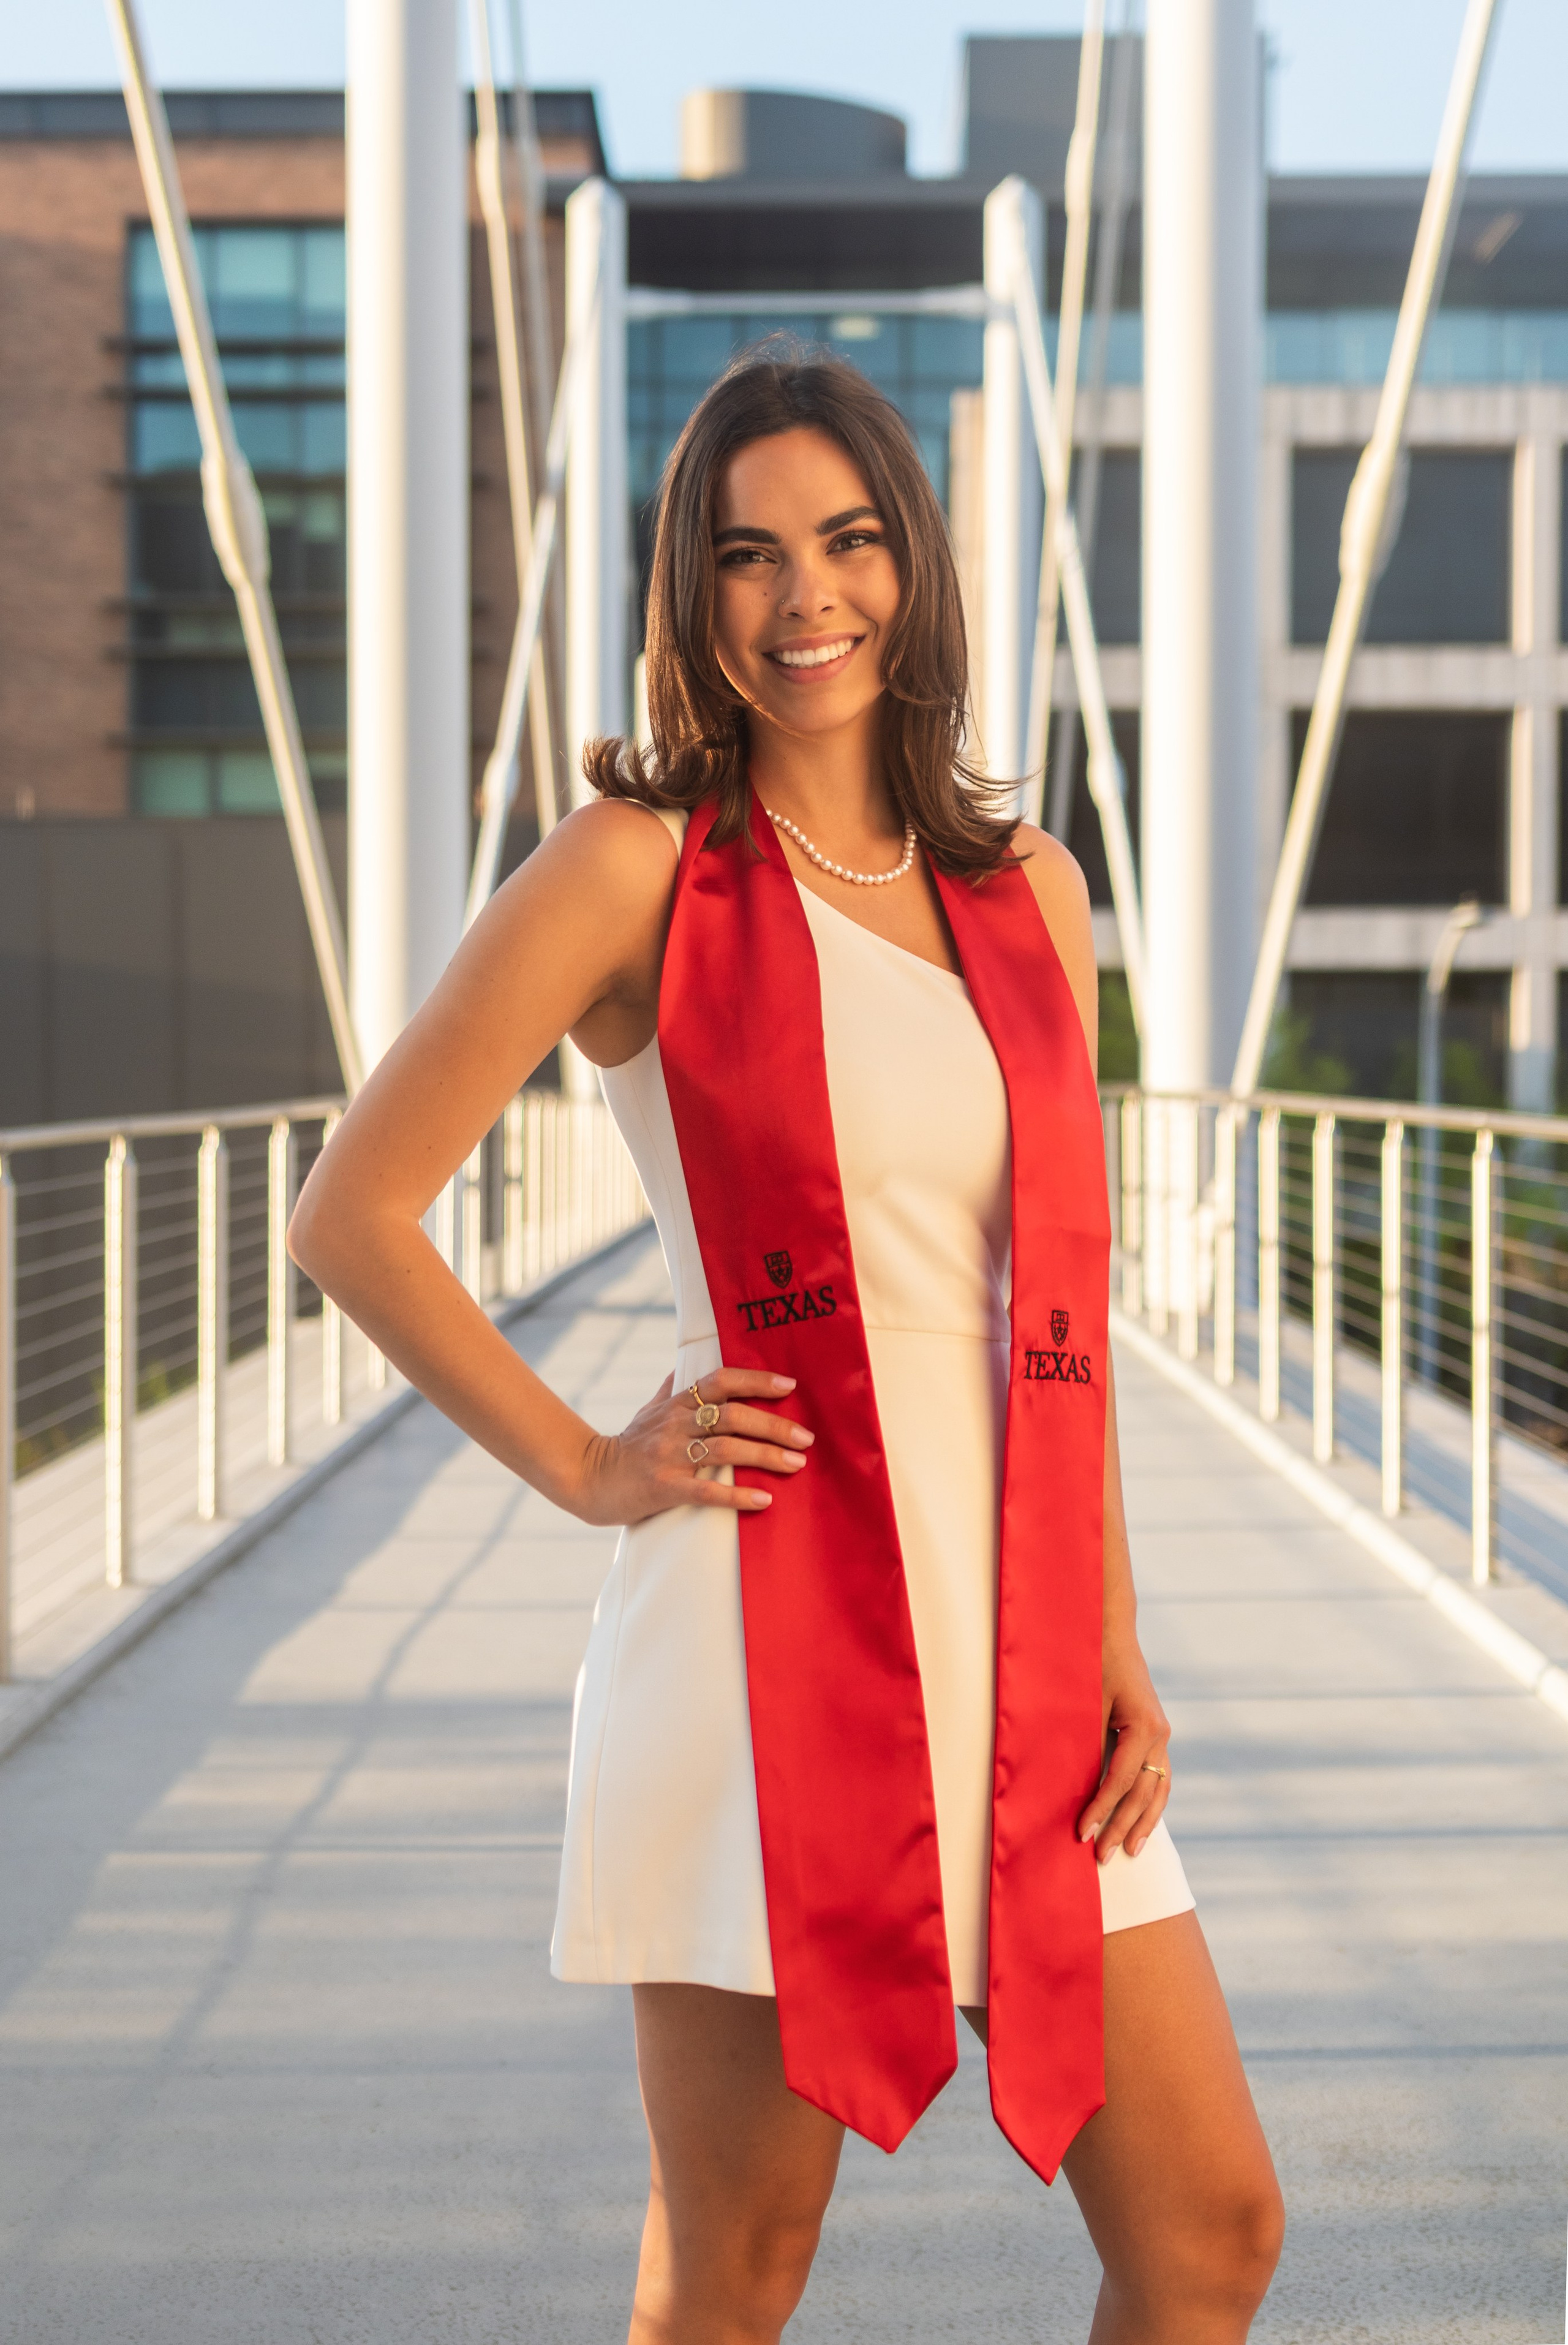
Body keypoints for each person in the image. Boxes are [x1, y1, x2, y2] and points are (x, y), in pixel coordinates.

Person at [289, 346, 1284, 2345]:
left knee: (1209, 2232)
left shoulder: (1034, 897)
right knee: (739, 2267)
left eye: (844, 539)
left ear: (910, 564)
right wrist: (591, 1462)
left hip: (1014, 1649)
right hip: (760, 1645)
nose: (802, 594)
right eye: (746, 555)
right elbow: (351, 1212)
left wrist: (1113, 1642)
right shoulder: (633, 871)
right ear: (691, 594)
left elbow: (1051, 1318)